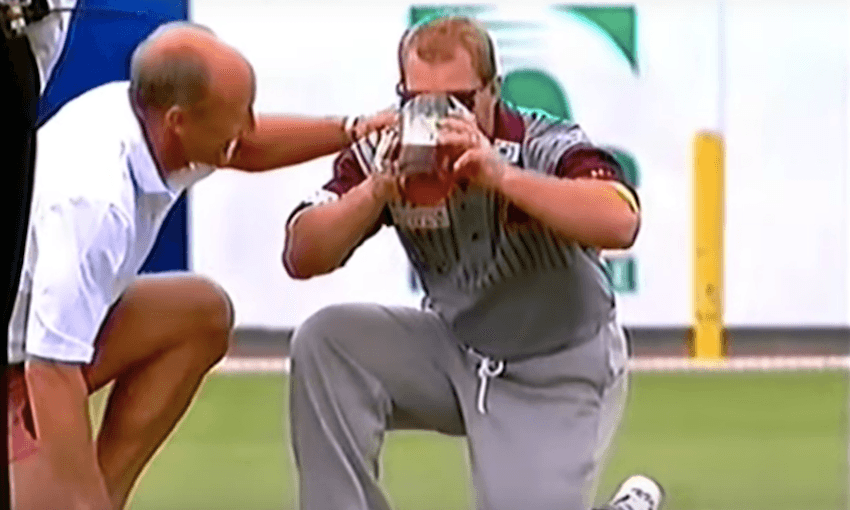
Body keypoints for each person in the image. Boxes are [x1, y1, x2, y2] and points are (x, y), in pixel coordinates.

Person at [6, 21, 394, 510]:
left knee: (199, 312)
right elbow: (52, 368)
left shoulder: (144, 115)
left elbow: (245, 147)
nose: (246, 128)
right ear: (178, 122)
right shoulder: (95, 202)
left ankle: (103, 497)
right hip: (26, 365)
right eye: (239, 115)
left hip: (37, 348)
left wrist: (351, 131)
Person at [283, 15, 662, 510]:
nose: (439, 117)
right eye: (420, 101)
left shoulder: (540, 144)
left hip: (555, 366)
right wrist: (375, 190)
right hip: (456, 348)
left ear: (492, 92)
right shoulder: (388, 150)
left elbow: (619, 222)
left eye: (458, 102)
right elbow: (302, 253)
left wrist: (500, 176)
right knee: (328, 341)